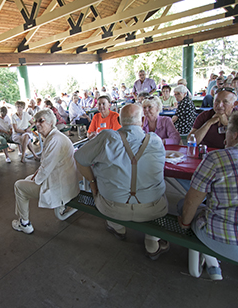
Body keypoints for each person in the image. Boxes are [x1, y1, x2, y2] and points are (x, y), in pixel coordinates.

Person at [75, 104, 169, 260]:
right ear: (143, 120)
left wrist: (93, 184)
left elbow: (79, 159)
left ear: (119, 120)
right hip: (152, 209)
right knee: (159, 196)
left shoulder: (107, 138)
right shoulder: (156, 141)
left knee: (109, 192)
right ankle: (152, 242)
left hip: (112, 207)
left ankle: (117, 228)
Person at [178, 111, 238, 280]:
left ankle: (211, 260)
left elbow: (191, 201)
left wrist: (184, 224)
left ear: (235, 135)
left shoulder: (217, 158)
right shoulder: (205, 118)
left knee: (184, 206)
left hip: (225, 240)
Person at [12, 109, 80, 234]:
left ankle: (24, 223)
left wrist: (36, 179)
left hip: (62, 189)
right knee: (27, 180)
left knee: (19, 186)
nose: (37, 124)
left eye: (41, 121)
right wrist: (34, 177)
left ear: (51, 122)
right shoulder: (55, 136)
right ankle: (24, 218)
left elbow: (45, 169)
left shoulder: (54, 140)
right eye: (36, 121)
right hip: (66, 183)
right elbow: (47, 165)